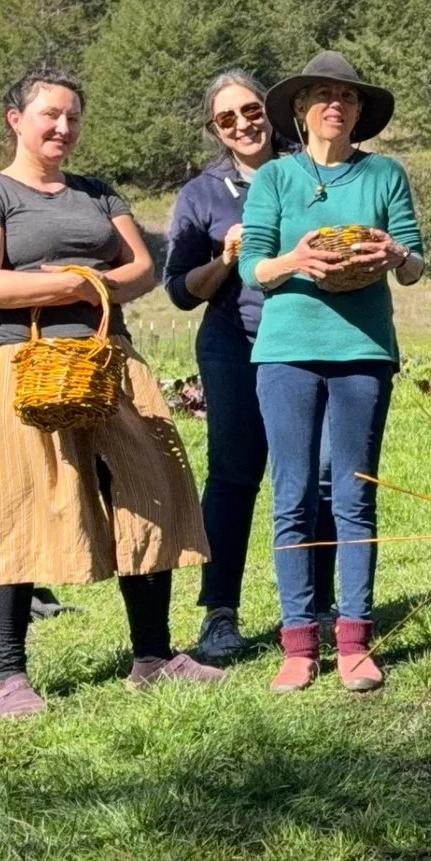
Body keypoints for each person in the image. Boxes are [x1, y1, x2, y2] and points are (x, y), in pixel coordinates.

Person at [0, 67, 218, 716]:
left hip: (107, 363)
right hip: (14, 367)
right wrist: (77, 283)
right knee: (13, 506)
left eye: (73, 117)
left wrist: (85, 284)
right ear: (16, 119)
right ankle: (9, 677)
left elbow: (142, 269)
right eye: (50, 115)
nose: (63, 127)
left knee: (146, 490)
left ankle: (153, 655)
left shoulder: (99, 194)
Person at [238, 50, 426, 694]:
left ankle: (353, 642)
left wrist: (398, 252)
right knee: (291, 496)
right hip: (285, 352)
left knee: (353, 498)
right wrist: (295, 259)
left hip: (363, 352)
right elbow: (251, 268)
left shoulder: (384, 174)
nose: (334, 104)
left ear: (358, 112)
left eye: (345, 96)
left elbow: (414, 263)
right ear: (299, 110)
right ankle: (298, 644)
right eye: (321, 94)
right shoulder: (275, 179)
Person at [163, 69, 339, 664]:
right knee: (236, 477)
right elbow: (181, 292)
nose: (243, 124)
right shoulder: (201, 195)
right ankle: (220, 613)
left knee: (320, 477)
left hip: (308, 338)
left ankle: (318, 606)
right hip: (234, 344)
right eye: (226, 118)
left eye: (251, 110)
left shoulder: (308, 170)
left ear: (269, 110)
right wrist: (225, 258)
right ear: (215, 129)